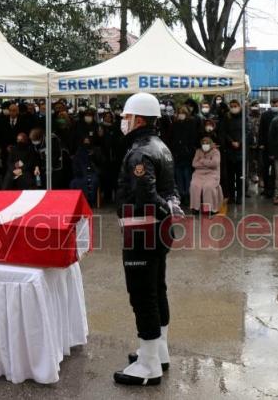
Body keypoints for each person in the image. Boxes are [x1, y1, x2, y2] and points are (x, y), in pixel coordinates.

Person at [114, 92, 180, 387]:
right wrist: (171, 211)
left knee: (142, 295)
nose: (123, 123)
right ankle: (158, 350)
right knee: (156, 289)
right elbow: (172, 190)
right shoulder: (161, 146)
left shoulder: (140, 152)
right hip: (157, 230)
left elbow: (146, 197)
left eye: (126, 118)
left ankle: (149, 365)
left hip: (142, 229)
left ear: (138, 119)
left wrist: (165, 210)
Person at [169, 106, 197, 204]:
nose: (181, 114)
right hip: (177, 154)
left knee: (187, 174)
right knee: (178, 175)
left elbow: (193, 138)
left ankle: (188, 195)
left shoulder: (191, 123)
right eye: (179, 112)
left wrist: (189, 149)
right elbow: (172, 138)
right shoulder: (175, 124)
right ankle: (181, 194)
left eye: (183, 112)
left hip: (187, 154)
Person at [189, 136, 224, 214]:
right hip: (198, 174)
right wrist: (208, 163)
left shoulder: (216, 152)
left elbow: (214, 164)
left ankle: (209, 208)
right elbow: (194, 164)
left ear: (210, 144)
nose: (205, 145)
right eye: (203, 143)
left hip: (212, 175)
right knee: (194, 185)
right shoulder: (198, 151)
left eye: (207, 143)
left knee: (208, 187)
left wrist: (202, 160)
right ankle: (195, 208)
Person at [70, 135, 104, 205]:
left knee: (93, 181)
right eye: (85, 141)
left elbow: (101, 163)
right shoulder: (79, 151)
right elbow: (76, 165)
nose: (86, 143)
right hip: (81, 174)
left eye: (88, 141)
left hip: (93, 173)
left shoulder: (96, 150)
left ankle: (90, 202)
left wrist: (93, 156)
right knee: (75, 183)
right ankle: (78, 202)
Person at [259, 98, 278, 198]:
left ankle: (273, 189)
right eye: (273, 103)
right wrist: (261, 143)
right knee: (265, 168)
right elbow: (261, 130)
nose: (274, 105)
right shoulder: (265, 115)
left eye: (276, 103)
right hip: (266, 146)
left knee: (276, 170)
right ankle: (266, 188)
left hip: (277, 147)